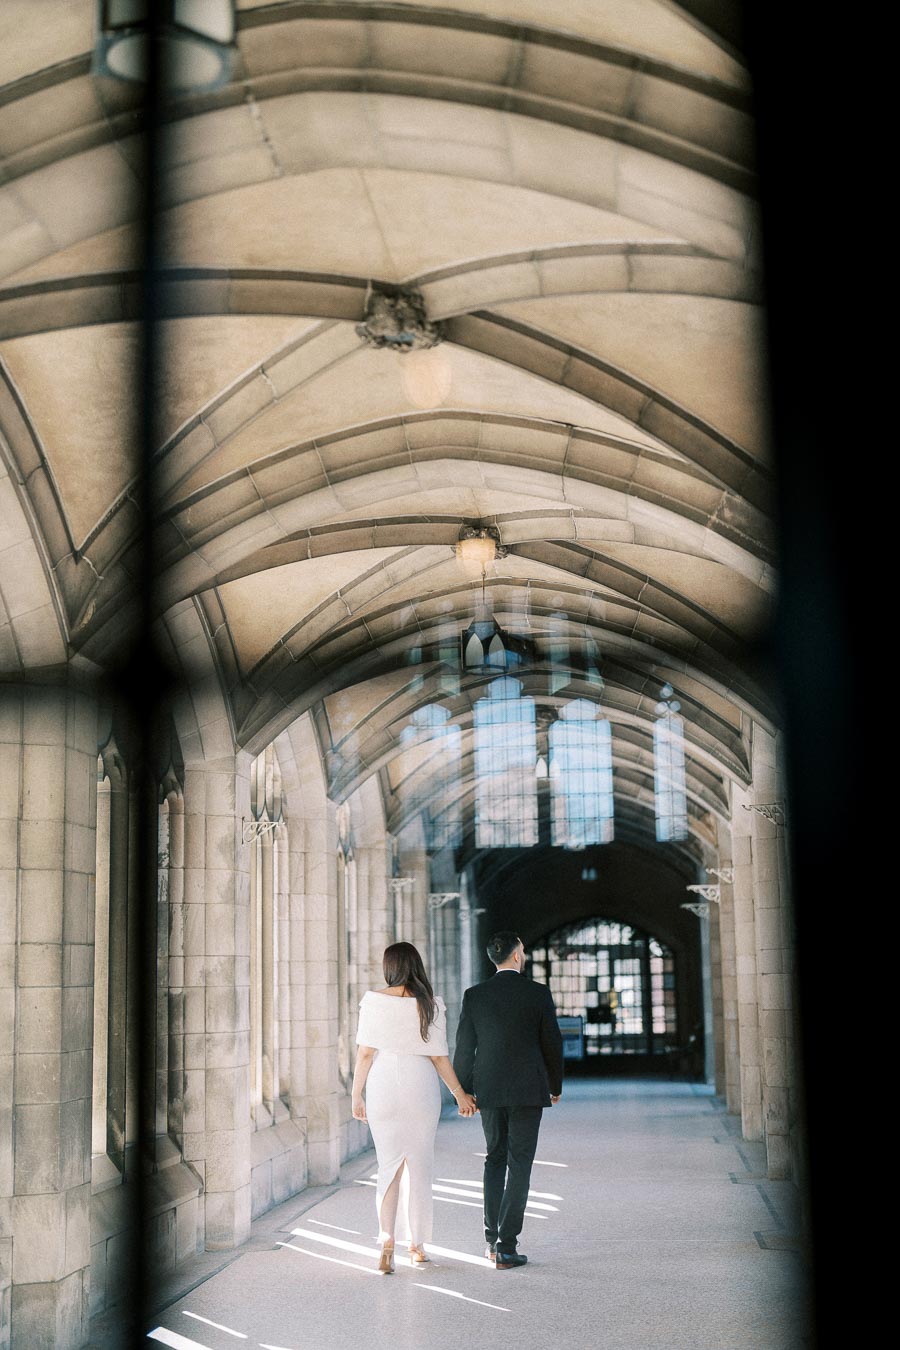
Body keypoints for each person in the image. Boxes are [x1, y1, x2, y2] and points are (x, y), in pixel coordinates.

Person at [351, 941, 478, 1273]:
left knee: (388, 1165)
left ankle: (386, 1242)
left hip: (382, 1083)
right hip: (419, 1082)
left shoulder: (373, 1001)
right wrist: (460, 1094)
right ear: (416, 966)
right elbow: (439, 1057)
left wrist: (356, 1095)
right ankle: (417, 1246)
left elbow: (365, 1053)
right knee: (419, 1165)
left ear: (389, 967)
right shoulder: (429, 1004)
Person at [453, 931, 564, 1269]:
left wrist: (464, 1091)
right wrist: (554, 1085)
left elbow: (463, 1048)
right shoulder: (537, 993)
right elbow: (552, 1043)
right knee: (520, 1163)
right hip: (529, 1089)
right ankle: (507, 1245)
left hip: (488, 1089)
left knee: (494, 1159)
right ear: (517, 956)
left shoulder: (475, 995)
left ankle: (490, 1240)